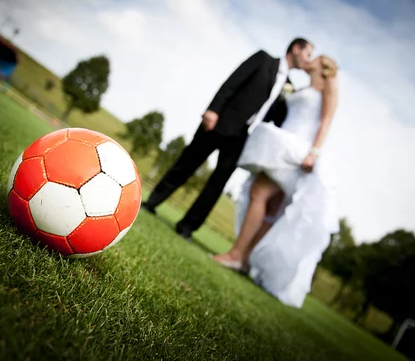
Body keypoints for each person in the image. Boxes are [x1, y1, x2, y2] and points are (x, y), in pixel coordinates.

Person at [141, 39, 314, 240]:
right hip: (221, 121)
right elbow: (233, 82)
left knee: (217, 184)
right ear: (296, 49)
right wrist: (213, 109)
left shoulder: (289, 87)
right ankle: (152, 202)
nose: (308, 59)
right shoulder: (264, 59)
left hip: (244, 139)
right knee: (187, 164)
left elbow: (280, 119)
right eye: (307, 53)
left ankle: (187, 226)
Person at [212, 55, 341, 309]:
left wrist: (313, 152)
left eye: (314, 57)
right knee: (271, 207)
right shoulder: (302, 87)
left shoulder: (331, 83)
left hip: (297, 151)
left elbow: (326, 120)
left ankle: (237, 254)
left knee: (259, 192)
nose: (309, 60)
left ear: (323, 64)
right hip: (282, 143)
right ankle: (247, 259)